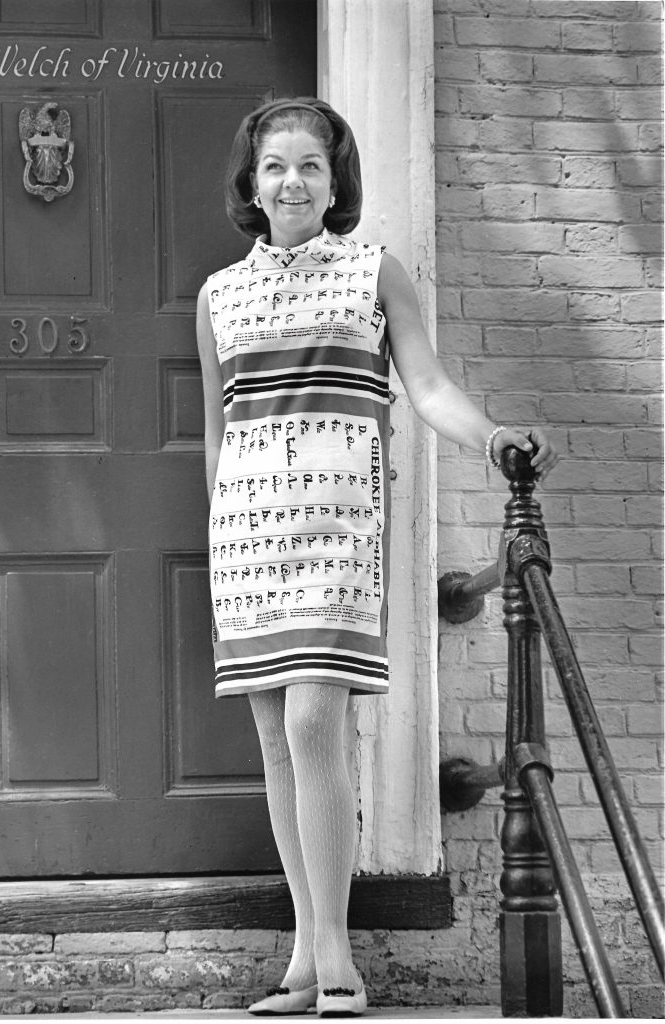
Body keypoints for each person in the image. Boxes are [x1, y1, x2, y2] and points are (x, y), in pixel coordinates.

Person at [196, 96, 558, 1019]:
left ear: (334, 181)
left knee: (318, 720)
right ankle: (304, 966)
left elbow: (428, 385)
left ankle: (333, 953)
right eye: (275, 165)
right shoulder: (218, 297)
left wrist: (493, 436)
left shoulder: (373, 273)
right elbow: (216, 437)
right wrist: (221, 533)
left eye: (310, 166)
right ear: (250, 182)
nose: (291, 182)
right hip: (248, 538)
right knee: (280, 742)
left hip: (338, 534)